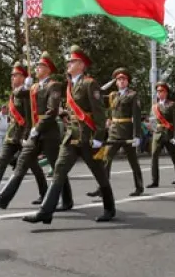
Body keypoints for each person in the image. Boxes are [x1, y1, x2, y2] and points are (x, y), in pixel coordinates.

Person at [22, 45, 114, 224]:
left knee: (99, 174)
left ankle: (109, 208)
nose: (68, 64)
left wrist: (98, 137)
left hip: (87, 138)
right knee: (59, 171)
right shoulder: (70, 85)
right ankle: (45, 212)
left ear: (81, 64)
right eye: (69, 61)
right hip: (71, 137)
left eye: (72, 61)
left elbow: (99, 112)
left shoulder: (89, 83)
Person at [0, 52, 69, 210]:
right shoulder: (35, 86)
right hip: (35, 133)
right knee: (21, 164)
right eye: (37, 65)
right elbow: (17, 93)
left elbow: (52, 111)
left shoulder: (54, 85)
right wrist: (26, 86)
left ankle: (67, 200)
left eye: (41, 66)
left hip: (49, 133)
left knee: (58, 167)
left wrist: (37, 129)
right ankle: (3, 198)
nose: (37, 68)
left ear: (48, 69)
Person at [0, 62, 48, 202]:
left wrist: (27, 136)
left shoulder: (26, 94)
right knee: (1, 163)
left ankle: (45, 194)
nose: (12, 77)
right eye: (12, 75)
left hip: (23, 136)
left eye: (16, 75)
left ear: (23, 77)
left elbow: (29, 117)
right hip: (12, 136)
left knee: (35, 167)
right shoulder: (14, 93)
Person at [91, 67, 144, 197]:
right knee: (105, 159)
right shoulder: (113, 95)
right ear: (115, 81)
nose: (121, 81)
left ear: (128, 81)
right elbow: (97, 94)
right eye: (119, 79)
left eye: (124, 79)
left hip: (127, 132)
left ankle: (139, 186)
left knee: (133, 162)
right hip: (114, 132)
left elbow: (136, 116)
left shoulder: (132, 95)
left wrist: (137, 135)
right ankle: (102, 188)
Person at [148, 81, 175, 187]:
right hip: (158, 135)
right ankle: (155, 181)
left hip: (169, 134)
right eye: (158, 91)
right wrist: (154, 129)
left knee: (173, 156)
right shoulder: (154, 106)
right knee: (154, 156)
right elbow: (152, 120)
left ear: (166, 92)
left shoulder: (172, 105)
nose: (159, 93)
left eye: (162, 91)